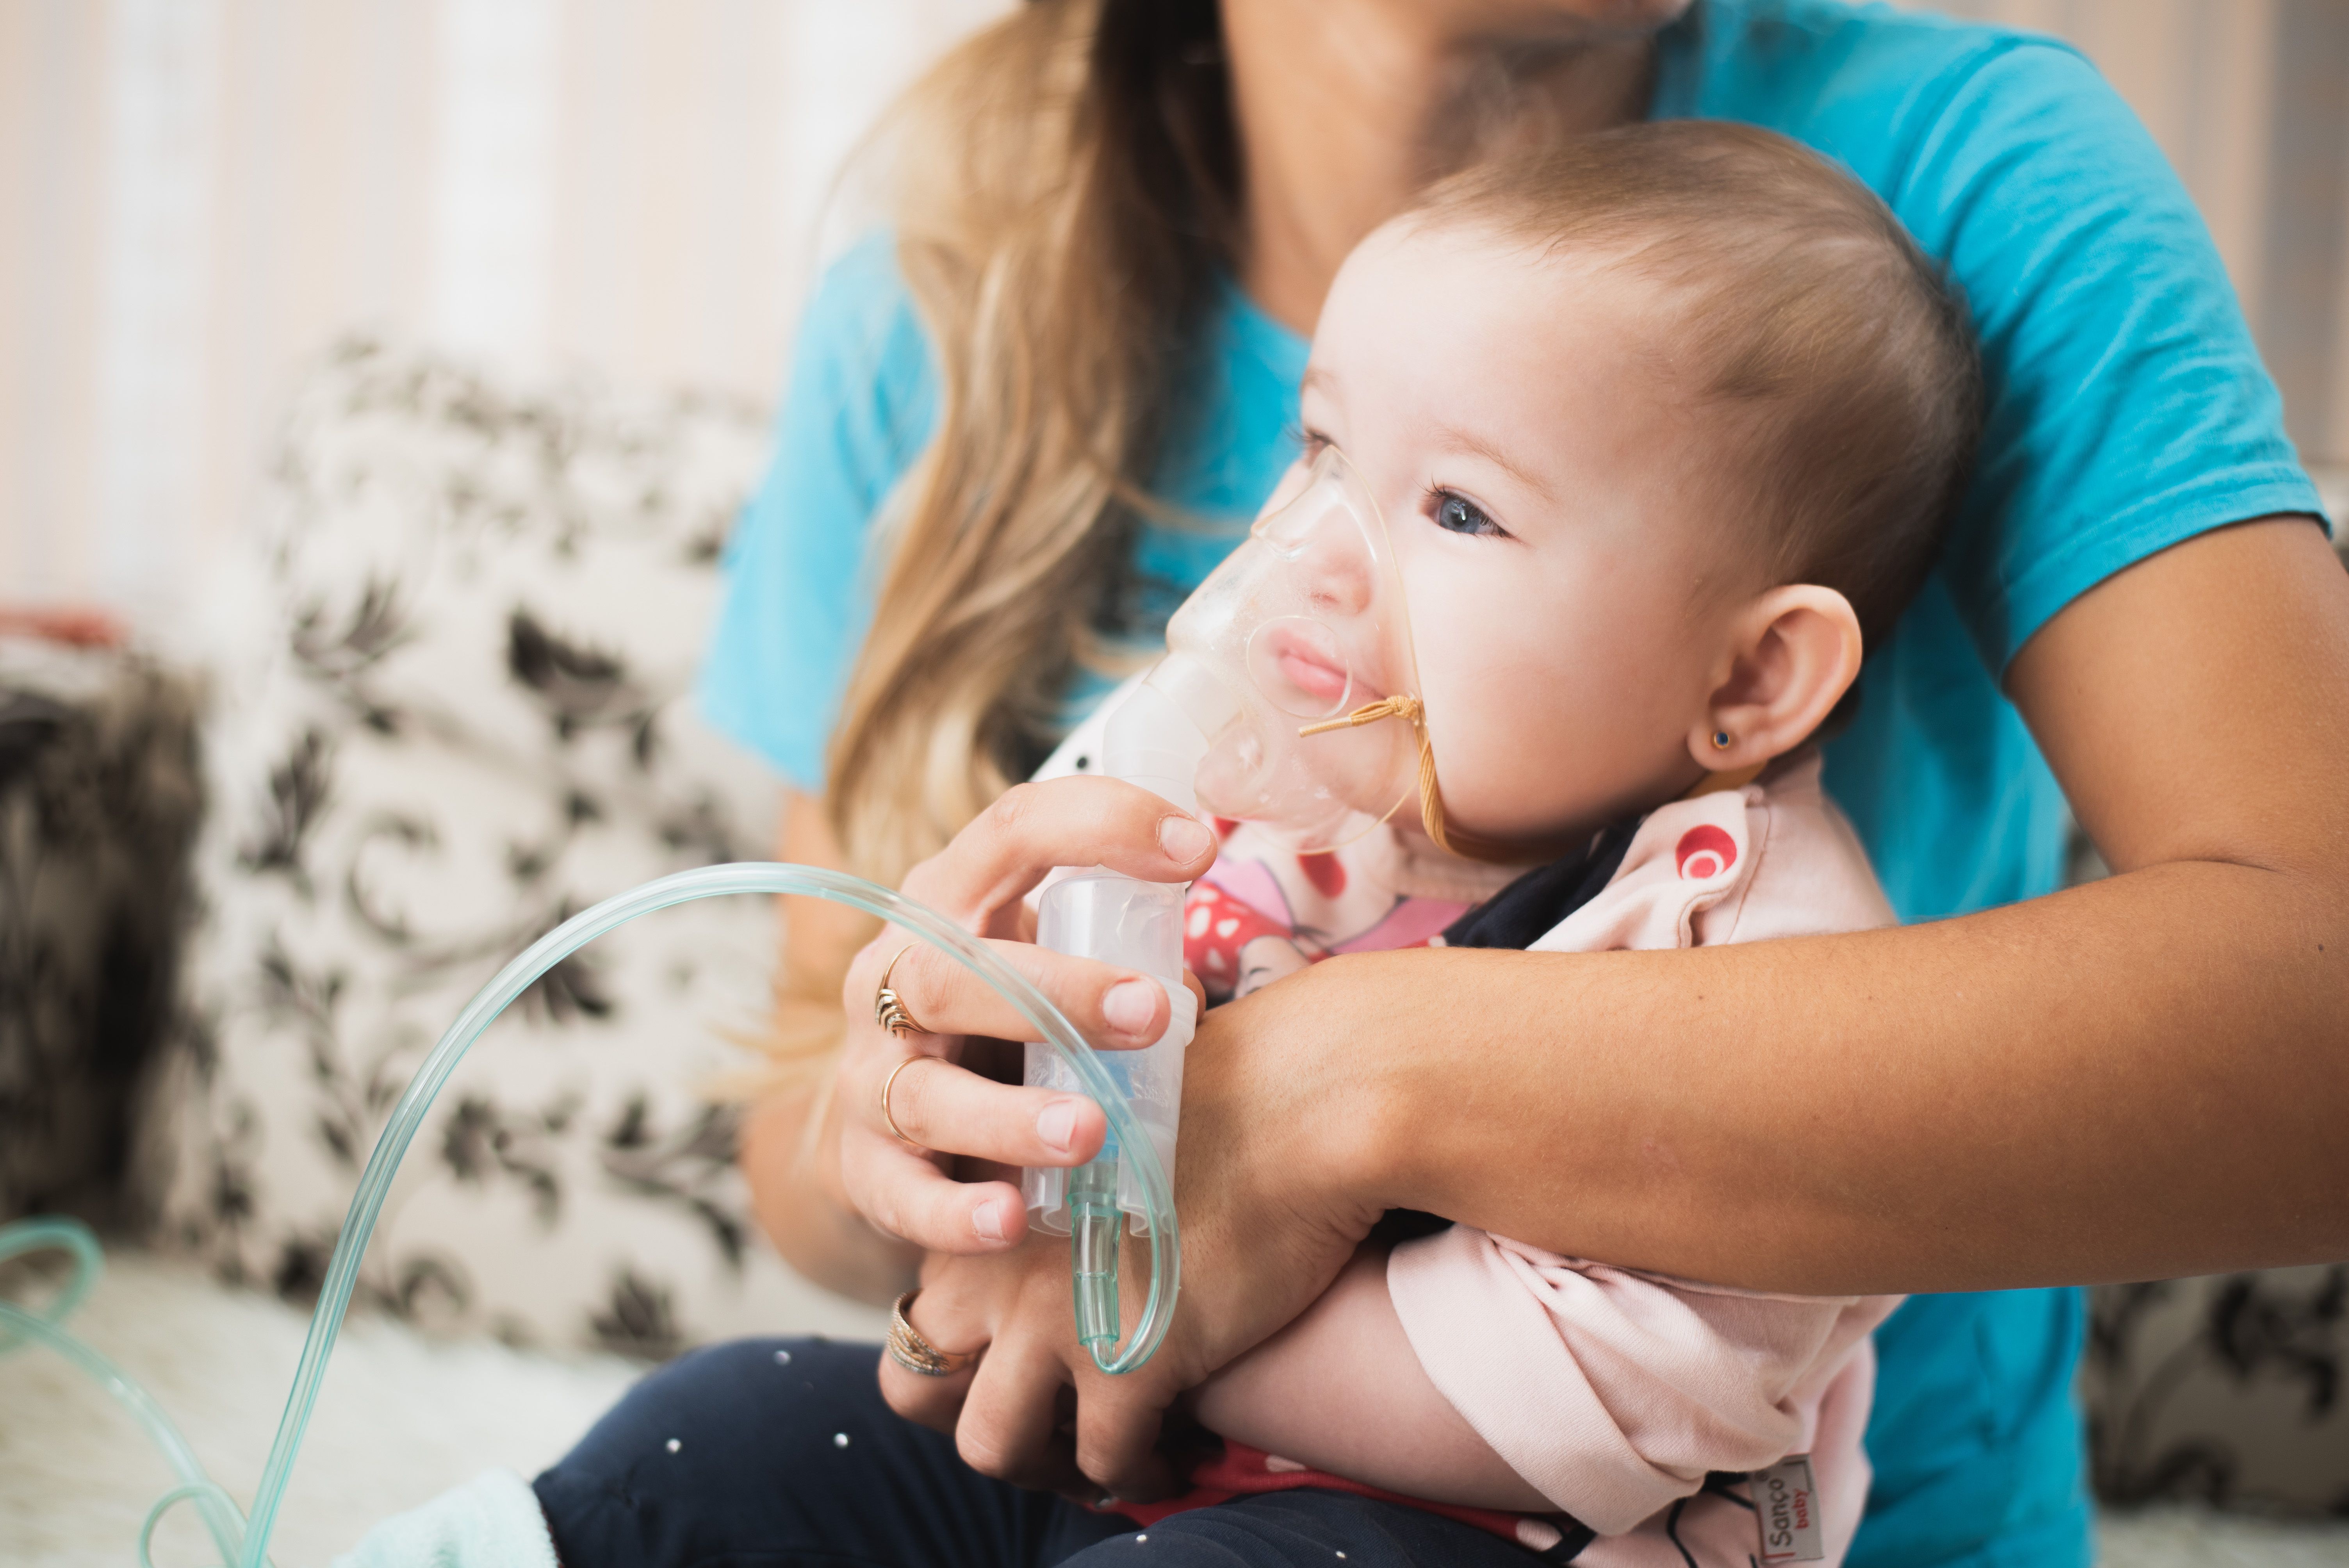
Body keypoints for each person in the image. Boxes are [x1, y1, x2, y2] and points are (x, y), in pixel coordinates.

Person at [559, 2, 2345, 1566]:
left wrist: (1330, 1094)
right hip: (1113, 1485)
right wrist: (932, 1119)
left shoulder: (1963, 191)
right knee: (705, 1445)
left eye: (1462, 510)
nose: (1308, 557)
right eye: (1316, 451)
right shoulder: (955, 290)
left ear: (1751, 677)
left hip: (1560, 1520)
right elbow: (808, 1119)